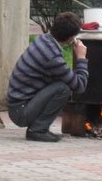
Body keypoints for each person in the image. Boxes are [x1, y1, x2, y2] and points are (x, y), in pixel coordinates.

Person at [7, 12, 88, 142]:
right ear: (70, 38)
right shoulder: (52, 57)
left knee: (60, 84)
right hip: (20, 112)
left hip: (17, 106)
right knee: (63, 89)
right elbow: (79, 86)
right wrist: (81, 57)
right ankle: (38, 130)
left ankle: (38, 128)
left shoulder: (44, 39)